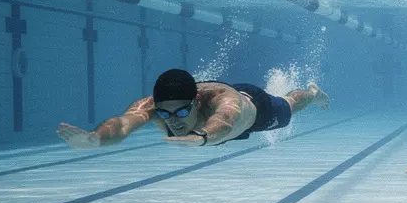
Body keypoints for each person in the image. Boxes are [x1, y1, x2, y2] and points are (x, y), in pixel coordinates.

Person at [56, 69, 329, 148]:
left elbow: (225, 120)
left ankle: (312, 94)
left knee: (291, 105)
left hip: (255, 108)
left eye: (182, 113)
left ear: (197, 102)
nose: (173, 121)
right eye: (165, 114)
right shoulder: (152, 106)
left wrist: (202, 137)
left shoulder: (225, 103)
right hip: (216, 107)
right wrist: (96, 138)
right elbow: (124, 123)